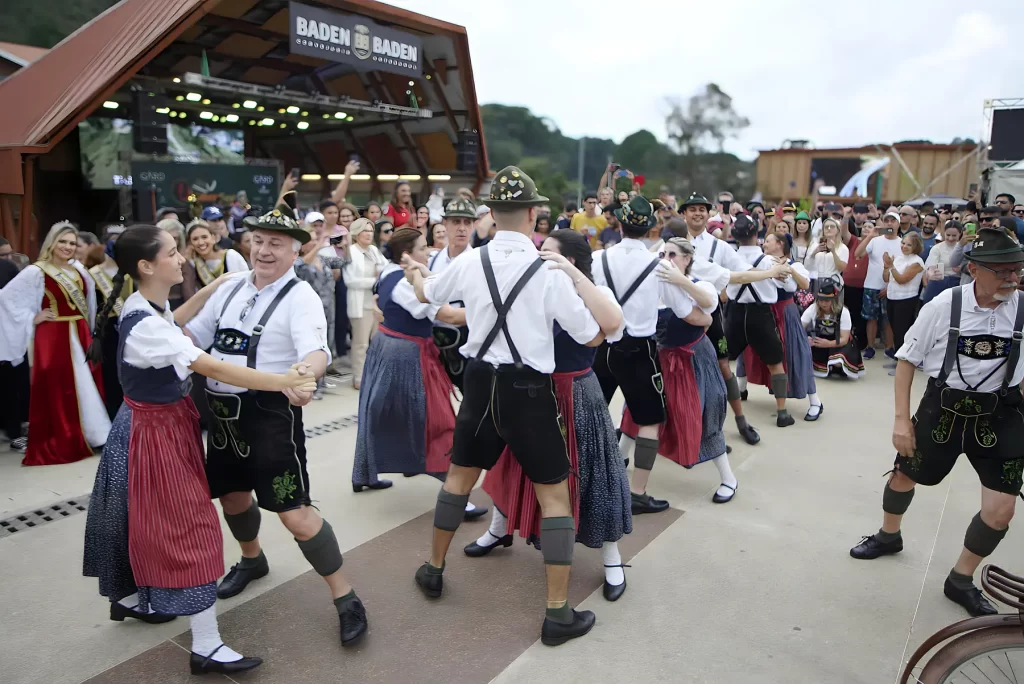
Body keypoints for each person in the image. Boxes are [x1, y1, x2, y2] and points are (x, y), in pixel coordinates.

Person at [83, 226, 315, 675]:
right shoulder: (147, 325)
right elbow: (205, 361)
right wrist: (285, 380)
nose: (182, 259)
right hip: (155, 434)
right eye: (173, 253)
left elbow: (173, 321)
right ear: (148, 266)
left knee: (136, 516)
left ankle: (132, 598)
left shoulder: (142, 306)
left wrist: (210, 289)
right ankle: (206, 645)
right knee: (192, 529)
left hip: (150, 425)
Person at [404, 166, 621, 646]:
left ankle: (433, 569)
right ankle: (557, 613)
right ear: (532, 214)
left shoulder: (469, 260)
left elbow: (429, 297)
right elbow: (589, 333)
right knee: (554, 494)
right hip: (529, 390)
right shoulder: (546, 268)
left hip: (480, 384)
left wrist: (418, 275)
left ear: (491, 215)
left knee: (460, 478)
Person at [185, 199, 369, 645]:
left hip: (270, 418)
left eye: (276, 244)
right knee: (231, 496)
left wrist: (304, 375)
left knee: (295, 514)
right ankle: (252, 559)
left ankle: (345, 597)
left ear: (294, 250)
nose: (264, 250)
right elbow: (193, 334)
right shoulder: (229, 287)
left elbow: (317, 350)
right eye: (259, 241)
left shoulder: (300, 295)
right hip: (223, 417)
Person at [850, 227, 1024, 618]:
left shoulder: (1023, 307)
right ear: (975, 269)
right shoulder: (945, 304)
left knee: (1001, 511)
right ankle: (888, 535)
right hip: (942, 409)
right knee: (903, 475)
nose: (1013, 278)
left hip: (1000, 415)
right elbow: (908, 360)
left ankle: (960, 579)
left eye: (1017, 269)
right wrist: (901, 421)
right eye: (1003, 271)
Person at [474, 228, 633, 601]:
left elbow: (613, 324)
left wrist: (572, 275)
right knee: (513, 463)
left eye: (547, 252)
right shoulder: (535, 288)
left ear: (570, 260)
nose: (538, 256)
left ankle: (611, 557)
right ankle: (500, 527)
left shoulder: (595, 292)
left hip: (578, 392)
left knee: (595, 471)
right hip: (534, 389)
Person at [593, 196, 713, 513]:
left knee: (593, 413)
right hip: (639, 349)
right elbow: (686, 311)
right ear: (650, 228)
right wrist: (708, 319)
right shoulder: (658, 266)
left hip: (602, 344)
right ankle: (637, 492)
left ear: (619, 223)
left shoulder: (597, 259)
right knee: (649, 419)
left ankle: (585, 482)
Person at [618, 237, 739, 503]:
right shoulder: (652, 289)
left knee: (702, 418)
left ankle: (728, 478)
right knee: (635, 410)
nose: (666, 258)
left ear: (687, 259)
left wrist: (678, 279)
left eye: (673, 254)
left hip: (693, 360)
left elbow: (709, 302)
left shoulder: (699, 285)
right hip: (660, 358)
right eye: (663, 254)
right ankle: (620, 458)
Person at [351, 228, 467, 493]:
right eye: (423, 247)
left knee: (376, 412)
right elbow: (447, 315)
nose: (427, 252)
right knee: (437, 420)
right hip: (407, 354)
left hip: (386, 347)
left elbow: (380, 306)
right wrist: (491, 311)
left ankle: (364, 474)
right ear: (407, 255)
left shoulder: (389, 272)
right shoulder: (406, 282)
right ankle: (455, 491)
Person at [677, 193, 785, 444]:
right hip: (676, 315)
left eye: (702, 209)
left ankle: (740, 421)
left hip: (711, 316)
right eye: (692, 209)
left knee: (723, 366)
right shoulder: (670, 243)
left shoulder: (720, 246)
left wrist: (773, 273)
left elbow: (744, 271)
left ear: (708, 213)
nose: (697, 213)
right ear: (683, 214)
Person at [0, 221, 110, 465]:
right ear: (52, 242)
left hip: (79, 331)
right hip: (54, 334)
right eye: (62, 241)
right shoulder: (36, 271)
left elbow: (89, 305)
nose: (68, 247)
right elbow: (5, 300)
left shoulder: (79, 270)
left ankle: (95, 433)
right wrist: (33, 317)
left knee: (86, 381)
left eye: (72, 243)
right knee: (62, 386)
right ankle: (71, 435)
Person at [726, 215, 797, 427]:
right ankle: (782, 413)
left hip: (735, 314)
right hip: (761, 315)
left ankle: (718, 406)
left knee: (722, 362)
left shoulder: (729, 258)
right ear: (757, 234)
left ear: (735, 236)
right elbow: (791, 288)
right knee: (775, 363)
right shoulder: (769, 261)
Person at [427, 197, 478, 390]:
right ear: (445, 224)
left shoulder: (479, 263)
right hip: (434, 339)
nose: (462, 228)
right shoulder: (433, 259)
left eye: (467, 222)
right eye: (456, 222)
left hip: (465, 339)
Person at [295, 222, 349, 400]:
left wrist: (346, 246)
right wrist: (319, 244)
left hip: (328, 307)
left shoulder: (323, 258)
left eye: (315, 239)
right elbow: (301, 266)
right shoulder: (297, 260)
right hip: (308, 309)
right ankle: (311, 385)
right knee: (311, 346)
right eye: (310, 240)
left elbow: (343, 262)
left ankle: (322, 381)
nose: (315, 242)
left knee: (326, 344)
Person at [88, 226, 134, 420]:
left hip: (128, 329)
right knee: (109, 377)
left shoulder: (130, 273)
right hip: (105, 331)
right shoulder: (92, 274)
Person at [344, 218, 386, 389]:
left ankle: (376, 374)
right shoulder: (350, 252)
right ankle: (359, 377)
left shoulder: (375, 250)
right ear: (356, 233)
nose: (369, 234)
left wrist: (380, 277)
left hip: (376, 304)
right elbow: (350, 281)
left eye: (371, 230)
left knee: (377, 343)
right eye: (365, 230)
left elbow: (385, 268)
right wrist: (373, 281)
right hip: (360, 303)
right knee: (360, 343)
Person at [855, 211, 903, 359]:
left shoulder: (902, 242)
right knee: (871, 318)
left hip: (892, 286)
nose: (889, 223)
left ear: (898, 223)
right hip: (871, 285)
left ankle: (889, 347)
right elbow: (858, 253)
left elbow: (903, 267)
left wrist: (889, 286)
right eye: (886, 220)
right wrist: (870, 235)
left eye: (893, 220)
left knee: (889, 319)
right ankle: (870, 347)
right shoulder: (875, 240)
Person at [802, 277, 863, 379]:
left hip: (838, 343)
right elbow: (799, 327)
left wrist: (828, 344)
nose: (823, 303)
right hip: (819, 342)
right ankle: (824, 365)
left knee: (838, 361)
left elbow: (844, 339)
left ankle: (838, 368)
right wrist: (805, 339)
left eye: (827, 300)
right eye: (821, 300)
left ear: (834, 300)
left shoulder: (843, 312)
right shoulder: (813, 309)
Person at [882, 231, 925, 376]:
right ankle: (897, 359)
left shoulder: (917, 262)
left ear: (916, 247)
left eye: (908, 244)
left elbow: (902, 279)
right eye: (903, 243)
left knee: (903, 332)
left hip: (906, 300)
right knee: (895, 331)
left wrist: (891, 266)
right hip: (892, 298)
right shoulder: (899, 258)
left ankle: (904, 363)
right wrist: (886, 266)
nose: (904, 246)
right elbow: (887, 278)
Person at [186, 219, 247, 287]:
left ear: (213, 238)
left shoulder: (231, 256)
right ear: (190, 243)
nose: (201, 242)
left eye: (204, 237)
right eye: (195, 239)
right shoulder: (195, 264)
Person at [923, 221, 963, 303]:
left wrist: (962, 268)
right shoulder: (937, 248)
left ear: (960, 234)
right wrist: (931, 274)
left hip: (956, 283)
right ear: (944, 233)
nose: (950, 238)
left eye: (954, 235)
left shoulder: (963, 248)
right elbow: (930, 266)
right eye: (948, 235)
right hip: (938, 282)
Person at [806, 217, 849, 284]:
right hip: (816, 280)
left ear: (837, 230)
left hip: (833, 281)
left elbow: (841, 268)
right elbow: (807, 266)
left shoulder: (842, 248)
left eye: (832, 227)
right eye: (826, 227)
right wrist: (814, 253)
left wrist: (833, 252)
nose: (829, 229)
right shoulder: (814, 245)